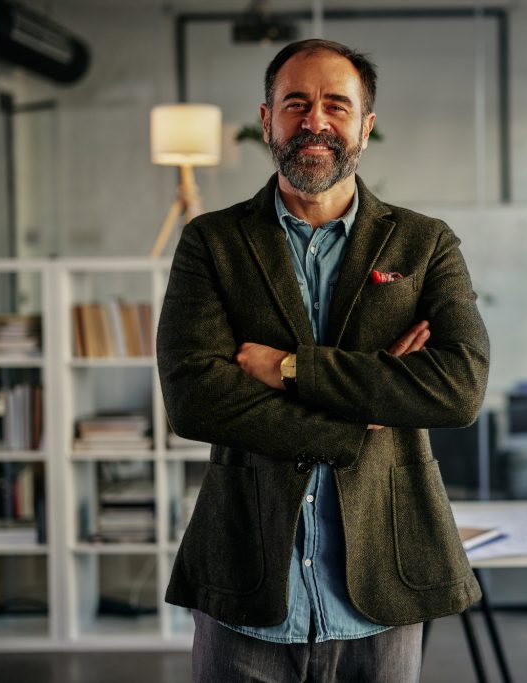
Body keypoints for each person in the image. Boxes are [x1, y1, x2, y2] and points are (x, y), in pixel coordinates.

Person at [156, 39, 490, 683]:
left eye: (336, 105)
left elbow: (458, 389)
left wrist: (290, 370)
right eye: (296, 104)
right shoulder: (212, 242)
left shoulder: (424, 244)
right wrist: (361, 415)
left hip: (382, 582)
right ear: (266, 120)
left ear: (365, 126)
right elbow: (194, 397)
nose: (315, 121)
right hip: (245, 585)